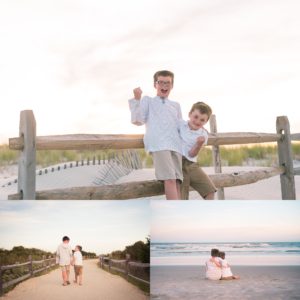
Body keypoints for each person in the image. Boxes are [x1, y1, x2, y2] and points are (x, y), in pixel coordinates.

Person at [129, 70, 183, 200]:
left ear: (172, 85)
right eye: (161, 82)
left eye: (168, 83)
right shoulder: (148, 100)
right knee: (169, 179)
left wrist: (198, 129)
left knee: (176, 181)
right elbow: (137, 120)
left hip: (175, 146)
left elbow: (181, 126)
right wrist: (137, 99)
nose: (164, 85)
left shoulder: (176, 105)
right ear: (155, 85)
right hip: (159, 144)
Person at [179, 101, 217, 199]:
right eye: (196, 117)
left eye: (202, 120)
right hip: (178, 163)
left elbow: (192, 154)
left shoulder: (203, 135)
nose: (198, 121)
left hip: (192, 165)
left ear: (206, 122)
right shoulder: (180, 125)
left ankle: (207, 213)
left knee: (210, 190)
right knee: (182, 196)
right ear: (189, 114)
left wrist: (198, 144)